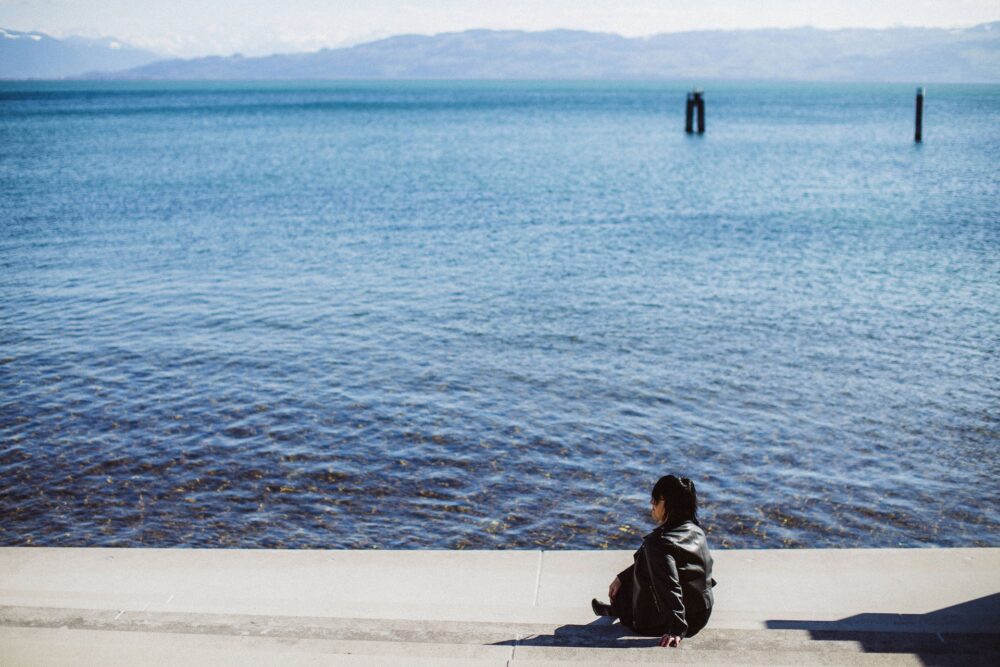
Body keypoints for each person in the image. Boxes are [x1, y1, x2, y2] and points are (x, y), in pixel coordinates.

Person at [591, 475, 716, 648]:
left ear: (665, 502)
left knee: (642, 567)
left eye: (654, 502)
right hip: (701, 614)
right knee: (643, 563)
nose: (651, 507)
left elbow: (669, 585)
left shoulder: (659, 543)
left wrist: (676, 628)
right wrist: (622, 577)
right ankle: (615, 608)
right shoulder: (695, 530)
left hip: (676, 621)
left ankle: (618, 610)